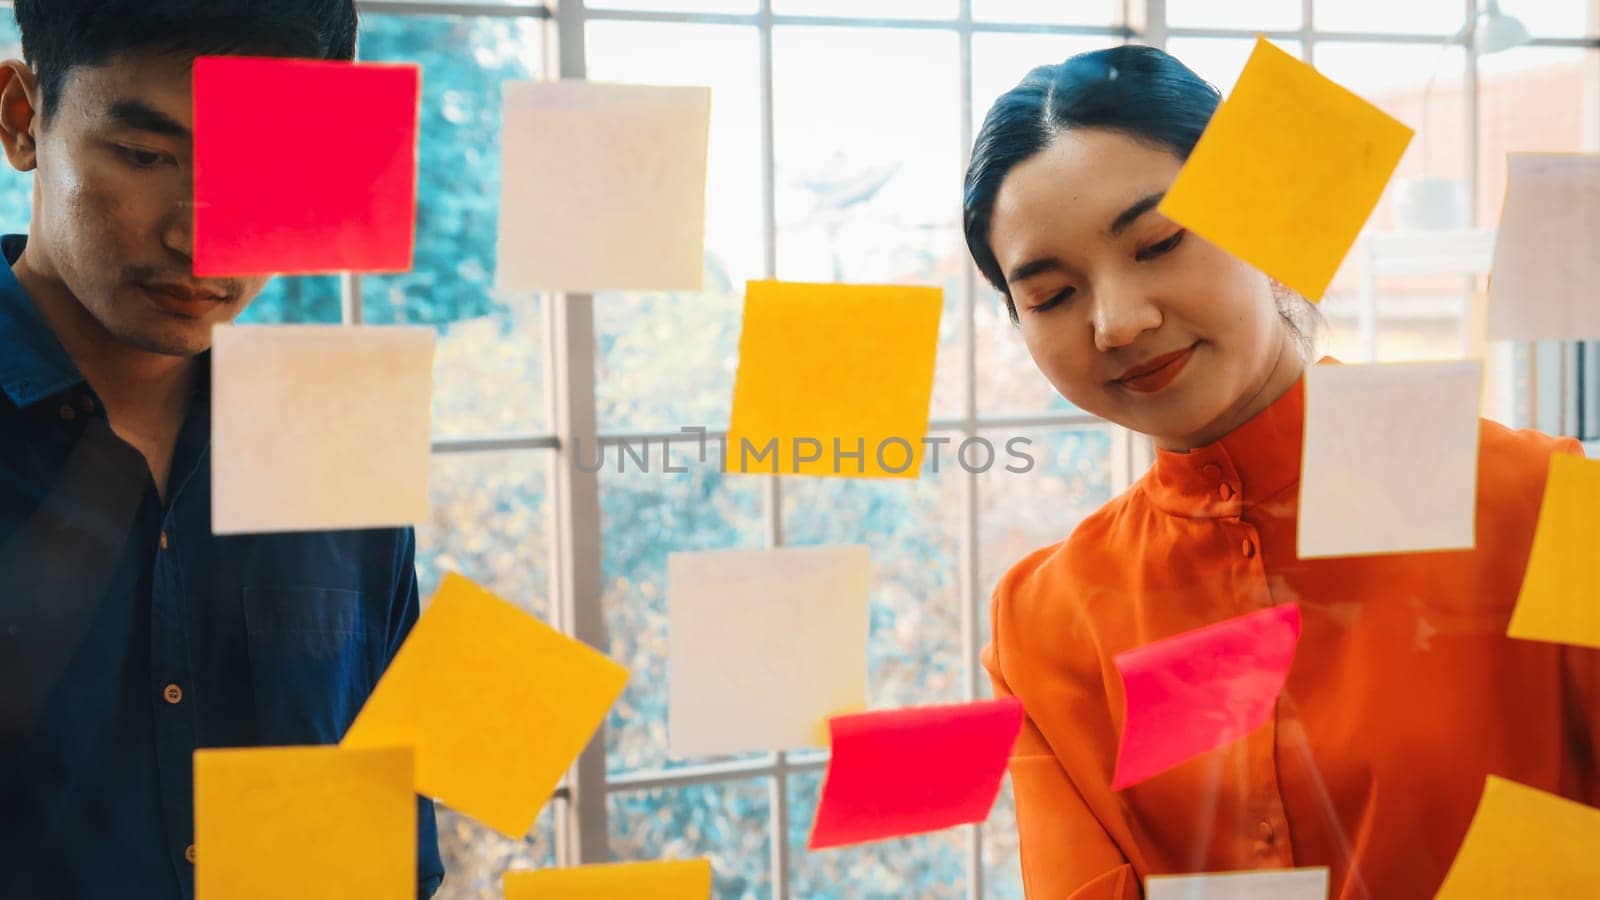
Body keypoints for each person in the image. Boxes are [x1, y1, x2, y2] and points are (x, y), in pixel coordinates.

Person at [964, 44, 1599, 900]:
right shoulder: (1042, 625)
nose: (1118, 321)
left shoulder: (1548, 508)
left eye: (1156, 243)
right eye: (1050, 296)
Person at [0, 2, 443, 897]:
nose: (203, 235)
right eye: (147, 156)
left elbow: (386, 851)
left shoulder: (332, 456)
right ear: (21, 115)